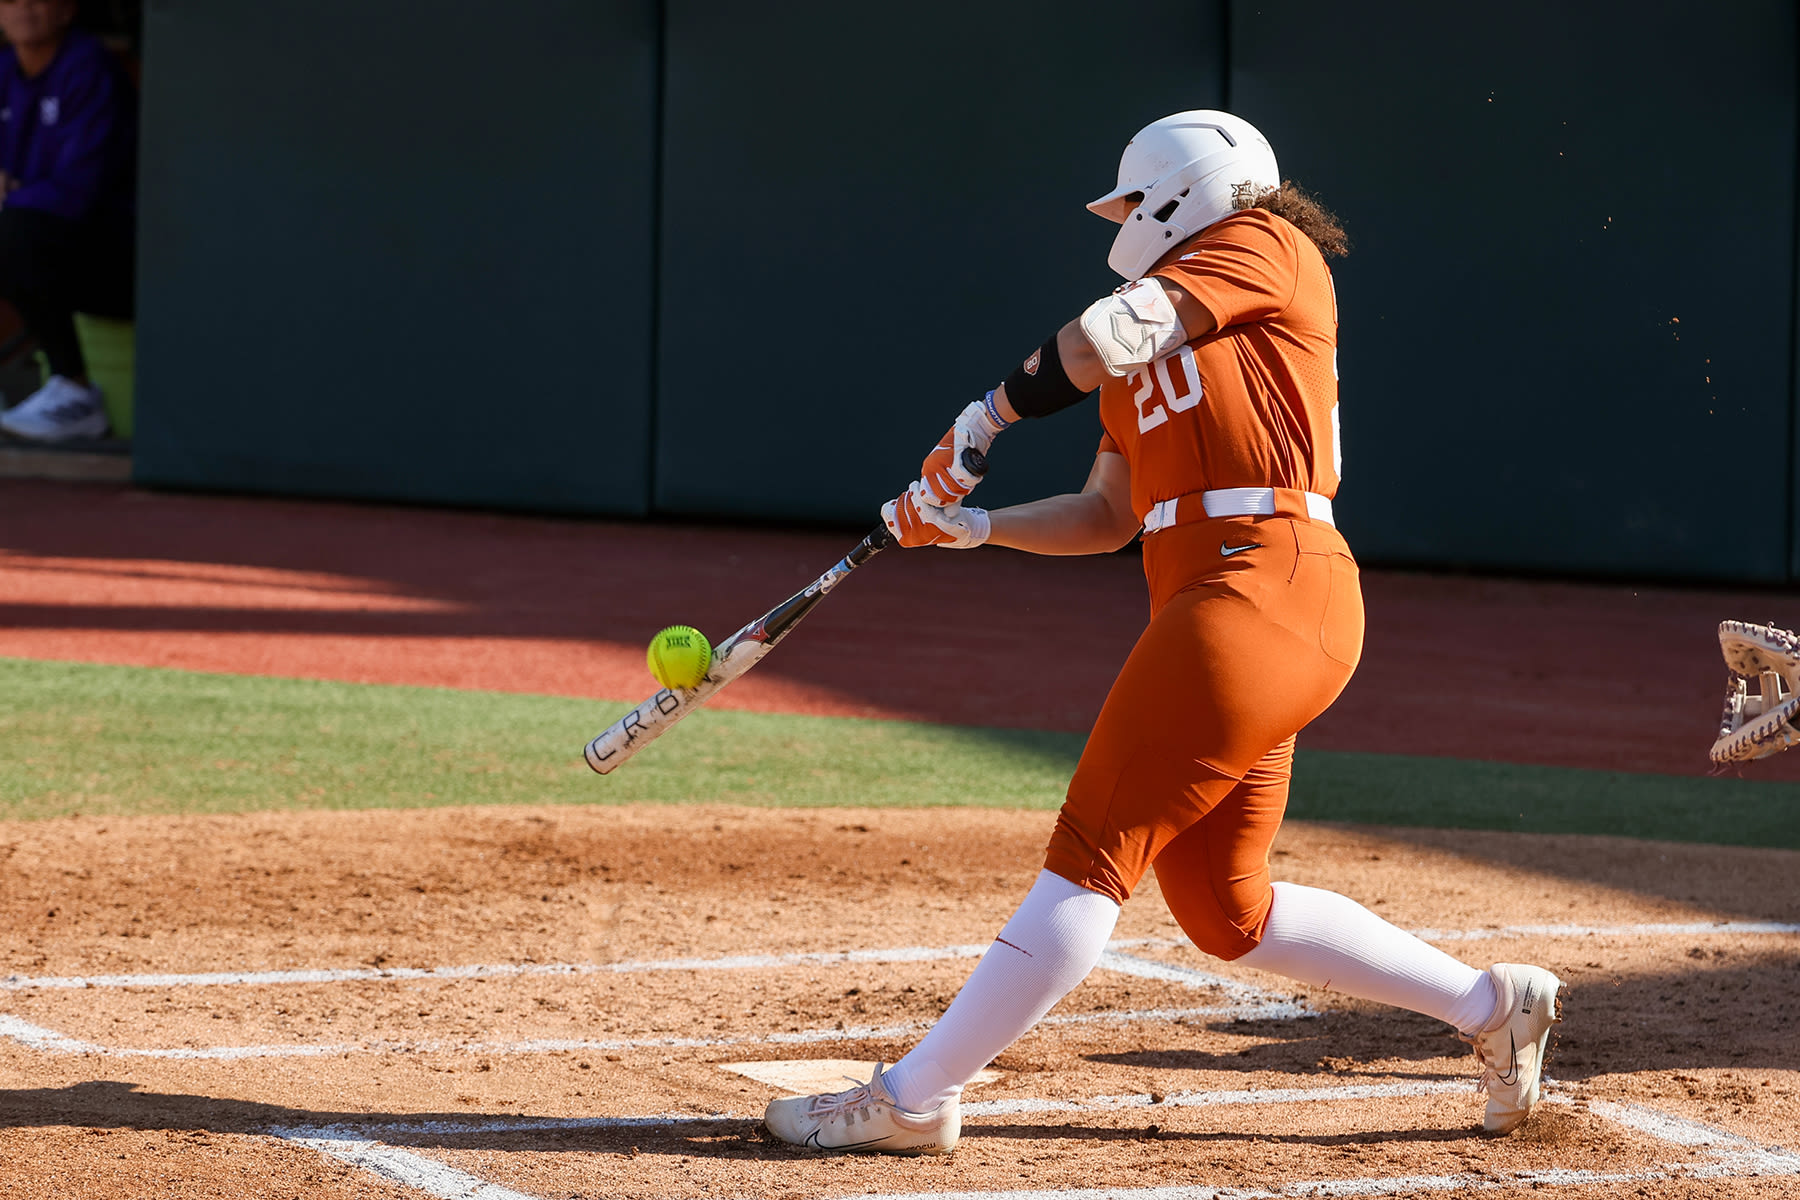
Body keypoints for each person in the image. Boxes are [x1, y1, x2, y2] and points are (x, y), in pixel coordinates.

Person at [763, 111, 1563, 1156]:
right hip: (1233, 605)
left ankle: (913, 1098)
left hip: (1263, 585)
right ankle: (1494, 1007)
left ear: (1192, 191)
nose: (1129, 220)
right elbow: (1106, 514)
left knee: (1093, 853)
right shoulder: (1159, 338)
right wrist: (974, 528)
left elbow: (1103, 338)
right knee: (1226, 909)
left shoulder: (1263, 244)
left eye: (1140, 202)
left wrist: (986, 419)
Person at [0, 0, 135, 443]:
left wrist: (13, 193)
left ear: (68, 8)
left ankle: (74, 391)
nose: (23, 7)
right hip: (36, 246)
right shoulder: (4, 71)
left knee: (18, 227)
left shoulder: (88, 66)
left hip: (117, 259)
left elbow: (79, 190)